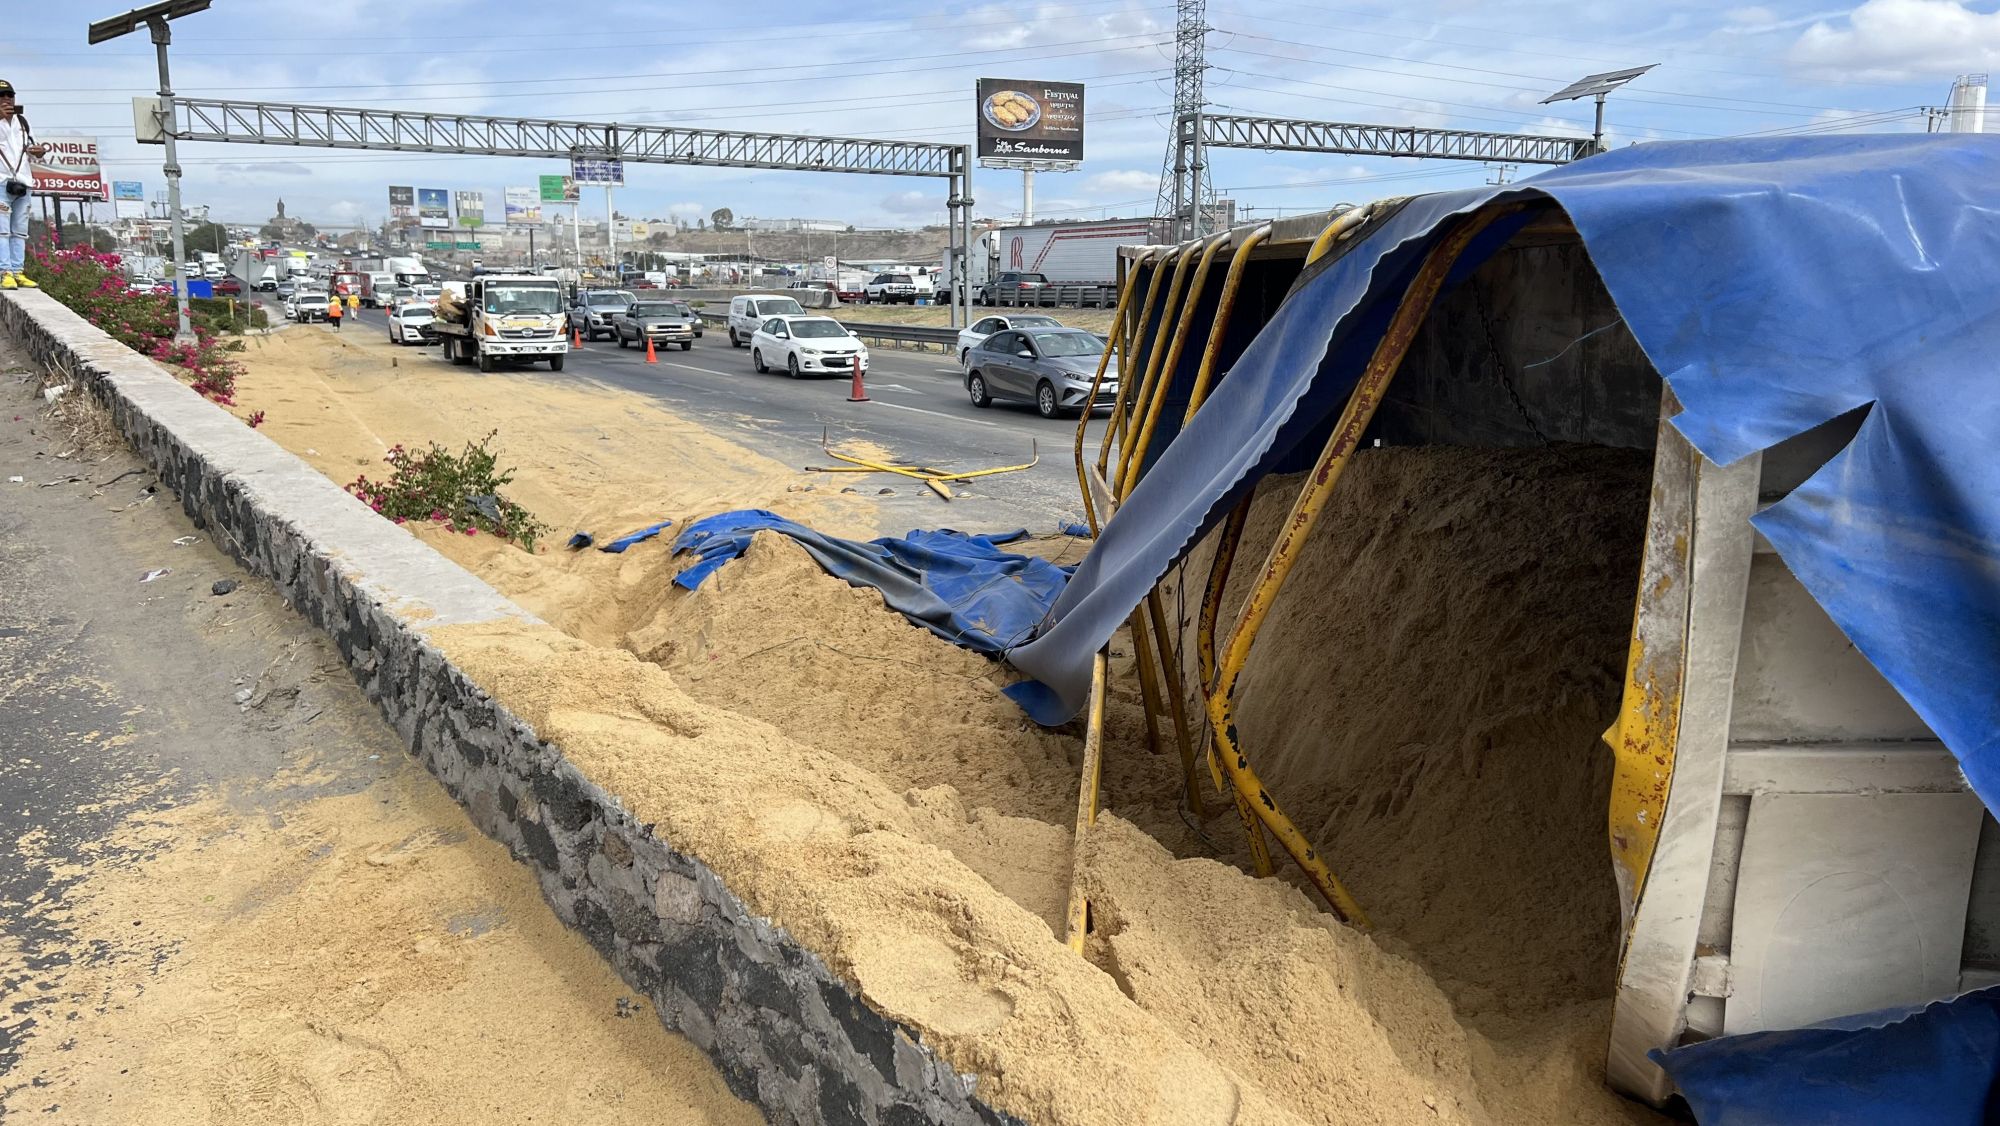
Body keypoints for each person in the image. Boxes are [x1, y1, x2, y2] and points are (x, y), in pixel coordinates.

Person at [0, 80, 49, 290]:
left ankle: (18, 272)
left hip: (23, 182)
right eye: (1, 96)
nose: (6, 99)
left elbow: (32, 150)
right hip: (1, 181)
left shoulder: (22, 122)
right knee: (1, 230)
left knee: (19, 230)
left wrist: (38, 151)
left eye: (9, 95)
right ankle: (4, 272)